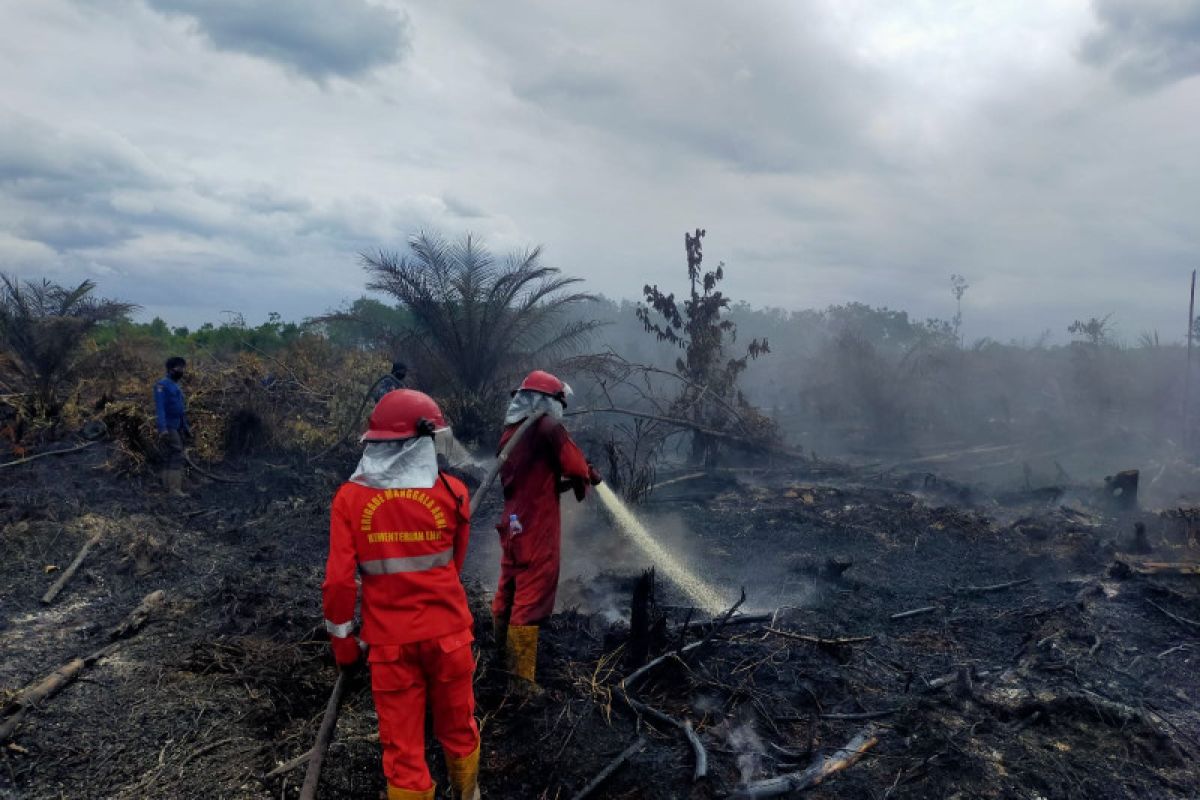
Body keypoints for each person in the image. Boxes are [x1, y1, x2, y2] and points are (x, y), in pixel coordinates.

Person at [322, 389, 480, 800]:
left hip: (390, 647)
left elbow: (339, 584)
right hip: (450, 637)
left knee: (404, 750)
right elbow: (454, 564)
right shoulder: (454, 492)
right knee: (460, 731)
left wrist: (344, 647)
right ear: (426, 442)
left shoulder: (350, 500)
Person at [492, 370, 601, 693]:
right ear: (549, 403)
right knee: (532, 593)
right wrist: (586, 474)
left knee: (509, 586)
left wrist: (568, 480)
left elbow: (534, 478)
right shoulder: (546, 427)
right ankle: (520, 681)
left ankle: (499, 655)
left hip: (514, 521)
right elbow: (574, 463)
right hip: (536, 525)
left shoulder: (511, 432)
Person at [154, 356, 191, 496]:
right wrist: (162, 428)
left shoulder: (176, 385)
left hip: (177, 424)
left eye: (183, 367)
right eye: (179, 367)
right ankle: (175, 489)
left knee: (170, 454)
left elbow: (180, 409)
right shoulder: (161, 385)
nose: (182, 370)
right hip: (169, 425)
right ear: (171, 369)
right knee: (177, 453)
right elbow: (160, 409)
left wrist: (186, 427)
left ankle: (167, 486)